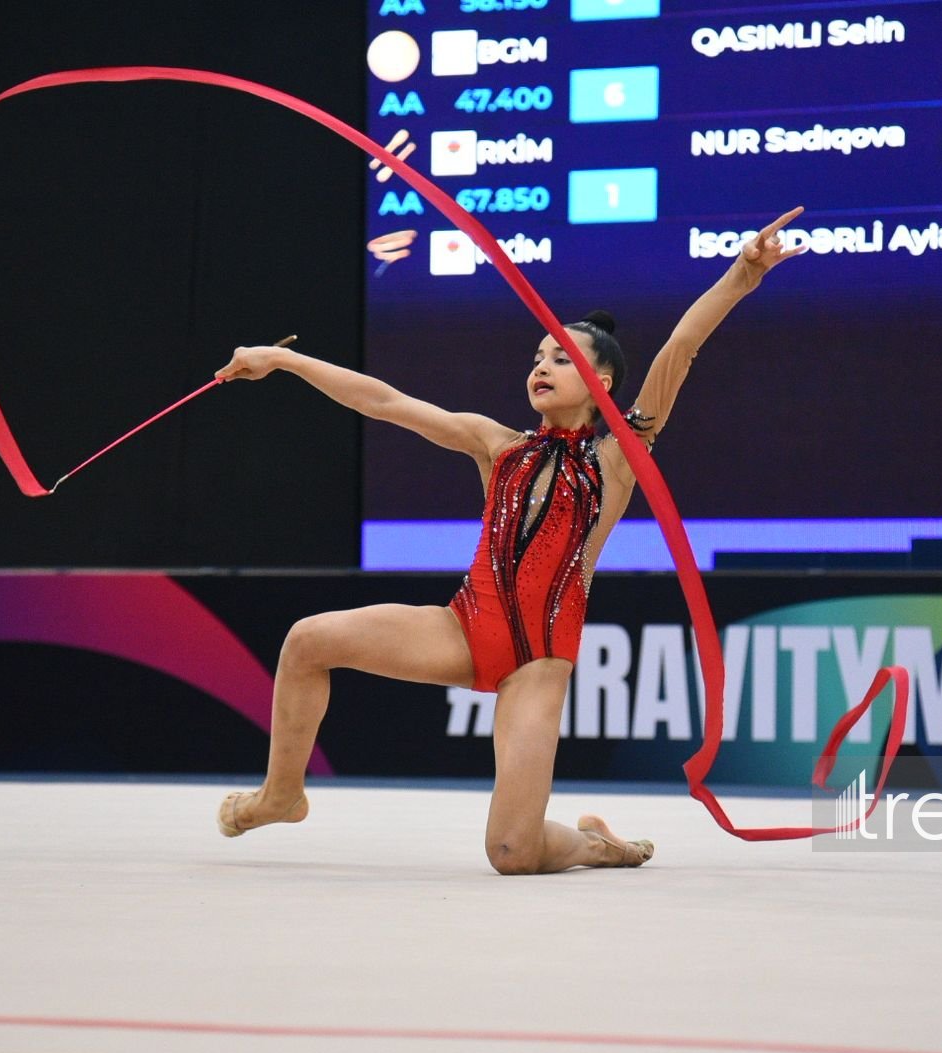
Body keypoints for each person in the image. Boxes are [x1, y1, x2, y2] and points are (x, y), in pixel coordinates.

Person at [213, 207, 807, 873]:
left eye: (563, 357)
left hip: (539, 659)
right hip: (466, 627)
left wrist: (739, 278)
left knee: (512, 854)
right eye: (538, 356)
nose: (542, 365)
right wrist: (285, 360)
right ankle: (281, 795)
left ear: (603, 383)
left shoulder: (617, 457)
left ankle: (592, 845)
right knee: (307, 642)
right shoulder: (497, 446)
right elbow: (384, 402)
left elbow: (680, 348)